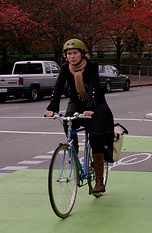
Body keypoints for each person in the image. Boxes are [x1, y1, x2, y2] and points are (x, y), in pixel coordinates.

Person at [45, 39, 114, 196]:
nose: (72, 56)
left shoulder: (91, 66)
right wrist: (52, 109)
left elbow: (95, 87)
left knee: (95, 136)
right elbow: (57, 88)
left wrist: (90, 108)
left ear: (82, 54)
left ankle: (98, 181)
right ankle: (73, 150)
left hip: (95, 103)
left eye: (75, 53)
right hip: (76, 101)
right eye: (69, 54)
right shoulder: (65, 68)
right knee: (68, 122)